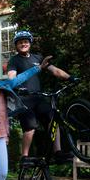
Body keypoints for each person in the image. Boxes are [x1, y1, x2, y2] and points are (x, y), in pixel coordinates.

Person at [7, 31, 75, 162]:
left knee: (53, 120)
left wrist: (71, 78)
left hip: (38, 98)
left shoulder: (38, 58)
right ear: (16, 45)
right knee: (30, 127)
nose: (23, 44)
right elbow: (11, 77)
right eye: (20, 42)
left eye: (25, 42)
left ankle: (58, 152)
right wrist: (17, 86)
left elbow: (55, 70)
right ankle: (25, 156)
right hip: (24, 99)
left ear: (30, 43)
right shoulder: (14, 60)